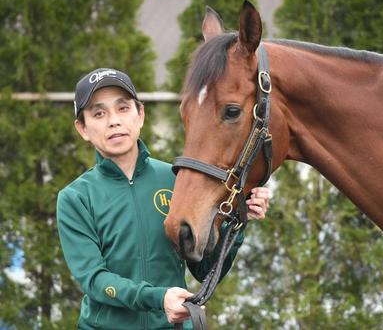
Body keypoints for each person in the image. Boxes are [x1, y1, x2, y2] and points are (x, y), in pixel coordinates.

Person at [56, 68, 270, 329]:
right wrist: (158, 298)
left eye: (123, 109)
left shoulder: (176, 180)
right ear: (83, 128)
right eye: (99, 113)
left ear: (141, 114)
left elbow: (203, 269)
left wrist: (238, 221)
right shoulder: (75, 198)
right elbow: (95, 280)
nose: (114, 121)